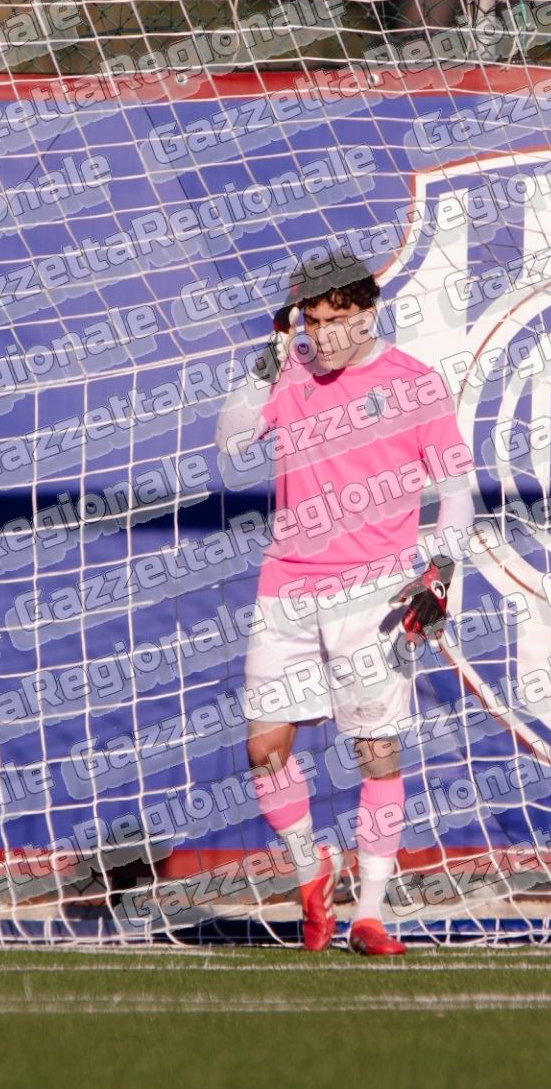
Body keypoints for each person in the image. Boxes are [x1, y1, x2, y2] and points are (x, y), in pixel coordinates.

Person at [215, 250, 475, 956]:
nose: (322, 335)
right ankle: (311, 868)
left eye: (336, 320)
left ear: (367, 314)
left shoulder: (414, 384)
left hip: (375, 593)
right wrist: (266, 363)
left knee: (375, 750)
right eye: (311, 321)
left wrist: (441, 574)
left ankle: (369, 913)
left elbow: (456, 490)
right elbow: (231, 441)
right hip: (288, 586)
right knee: (265, 750)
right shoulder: (290, 370)